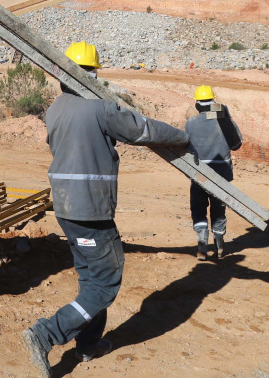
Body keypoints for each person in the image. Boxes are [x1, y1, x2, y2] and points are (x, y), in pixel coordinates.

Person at [21, 41, 190, 378]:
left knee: (90, 280)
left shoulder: (54, 109)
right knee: (105, 283)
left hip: (66, 208)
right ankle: (46, 334)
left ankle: (87, 344)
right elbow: (142, 129)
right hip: (91, 210)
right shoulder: (100, 108)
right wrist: (183, 137)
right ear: (93, 74)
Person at [184, 85, 242, 261]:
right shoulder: (224, 121)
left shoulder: (190, 123)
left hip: (199, 172)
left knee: (198, 207)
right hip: (222, 171)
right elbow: (236, 144)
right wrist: (227, 117)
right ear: (214, 101)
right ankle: (219, 244)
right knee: (218, 209)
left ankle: (202, 246)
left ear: (197, 105)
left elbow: (185, 149)